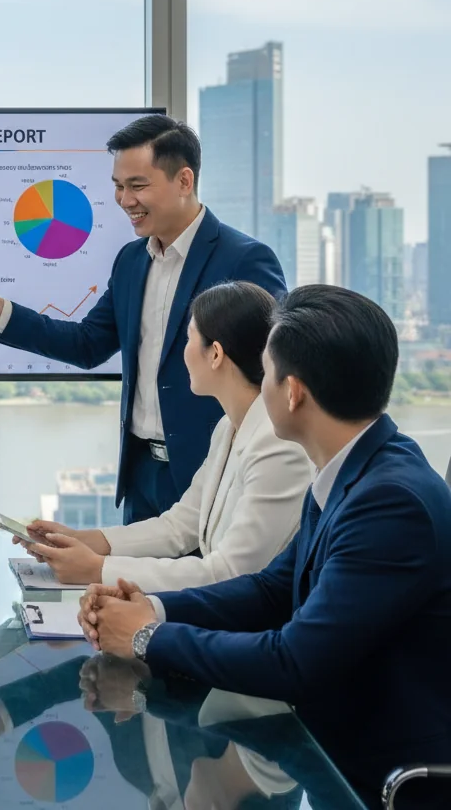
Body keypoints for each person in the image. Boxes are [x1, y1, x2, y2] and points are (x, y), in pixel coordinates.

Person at [78, 286, 451, 808]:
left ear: (293, 391)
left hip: (377, 780)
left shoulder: (390, 502)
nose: (262, 386)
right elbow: (272, 589)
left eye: (268, 370)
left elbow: (295, 659)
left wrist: (145, 637)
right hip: (330, 754)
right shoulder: (354, 469)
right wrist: (150, 607)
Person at [0, 114, 286, 523]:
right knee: (133, 585)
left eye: (138, 186)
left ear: (184, 181)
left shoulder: (244, 259)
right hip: (141, 473)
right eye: (118, 186)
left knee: (205, 586)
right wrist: (0, 311)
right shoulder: (130, 262)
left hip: (214, 472)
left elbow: (273, 367)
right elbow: (89, 345)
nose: (125, 200)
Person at [21, 281, 312, 588]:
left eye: (188, 339)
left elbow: (229, 573)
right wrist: (81, 540)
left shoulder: (277, 445)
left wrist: (98, 570)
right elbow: (180, 525)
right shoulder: (230, 427)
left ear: (215, 354)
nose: (181, 353)